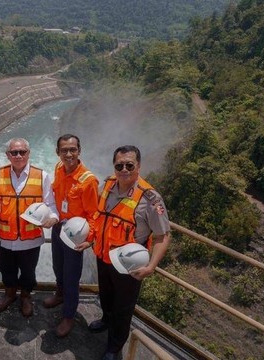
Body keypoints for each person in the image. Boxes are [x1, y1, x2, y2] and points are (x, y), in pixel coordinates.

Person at [88, 145, 170, 360]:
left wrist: (151, 267)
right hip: (103, 256)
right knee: (106, 297)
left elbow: (163, 236)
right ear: (114, 167)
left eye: (129, 165)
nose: (124, 169)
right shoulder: (107, 186)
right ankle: (106, 320)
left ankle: (114, 347)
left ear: (138, 166)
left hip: (129, 266)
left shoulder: (151, 199)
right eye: (119, 165)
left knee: (123, 309)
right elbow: (98, 218)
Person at [0, 138, 59, 317]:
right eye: (14, 152)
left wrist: (53, 219)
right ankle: (9, 294)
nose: (18, 156)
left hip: (31, 239)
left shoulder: (42, 176)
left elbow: (51, 206)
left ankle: (26, 296)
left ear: (29, 153)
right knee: (5, 269)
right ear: (7, 155)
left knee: (28, 272)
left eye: (22, 152)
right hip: (5, 237)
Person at [44, 134, 99, 337]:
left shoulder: (88, 181)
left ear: (79, 151)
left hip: (76, 233)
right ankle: (60, 294)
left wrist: (89, 238)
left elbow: (94, 213)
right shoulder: (59, 169)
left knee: (72, 275)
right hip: (59, 226)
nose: (68, 154)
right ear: (58, 152)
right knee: (58, 266)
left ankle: (68, 315)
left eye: (72, 149)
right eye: (64, 150)